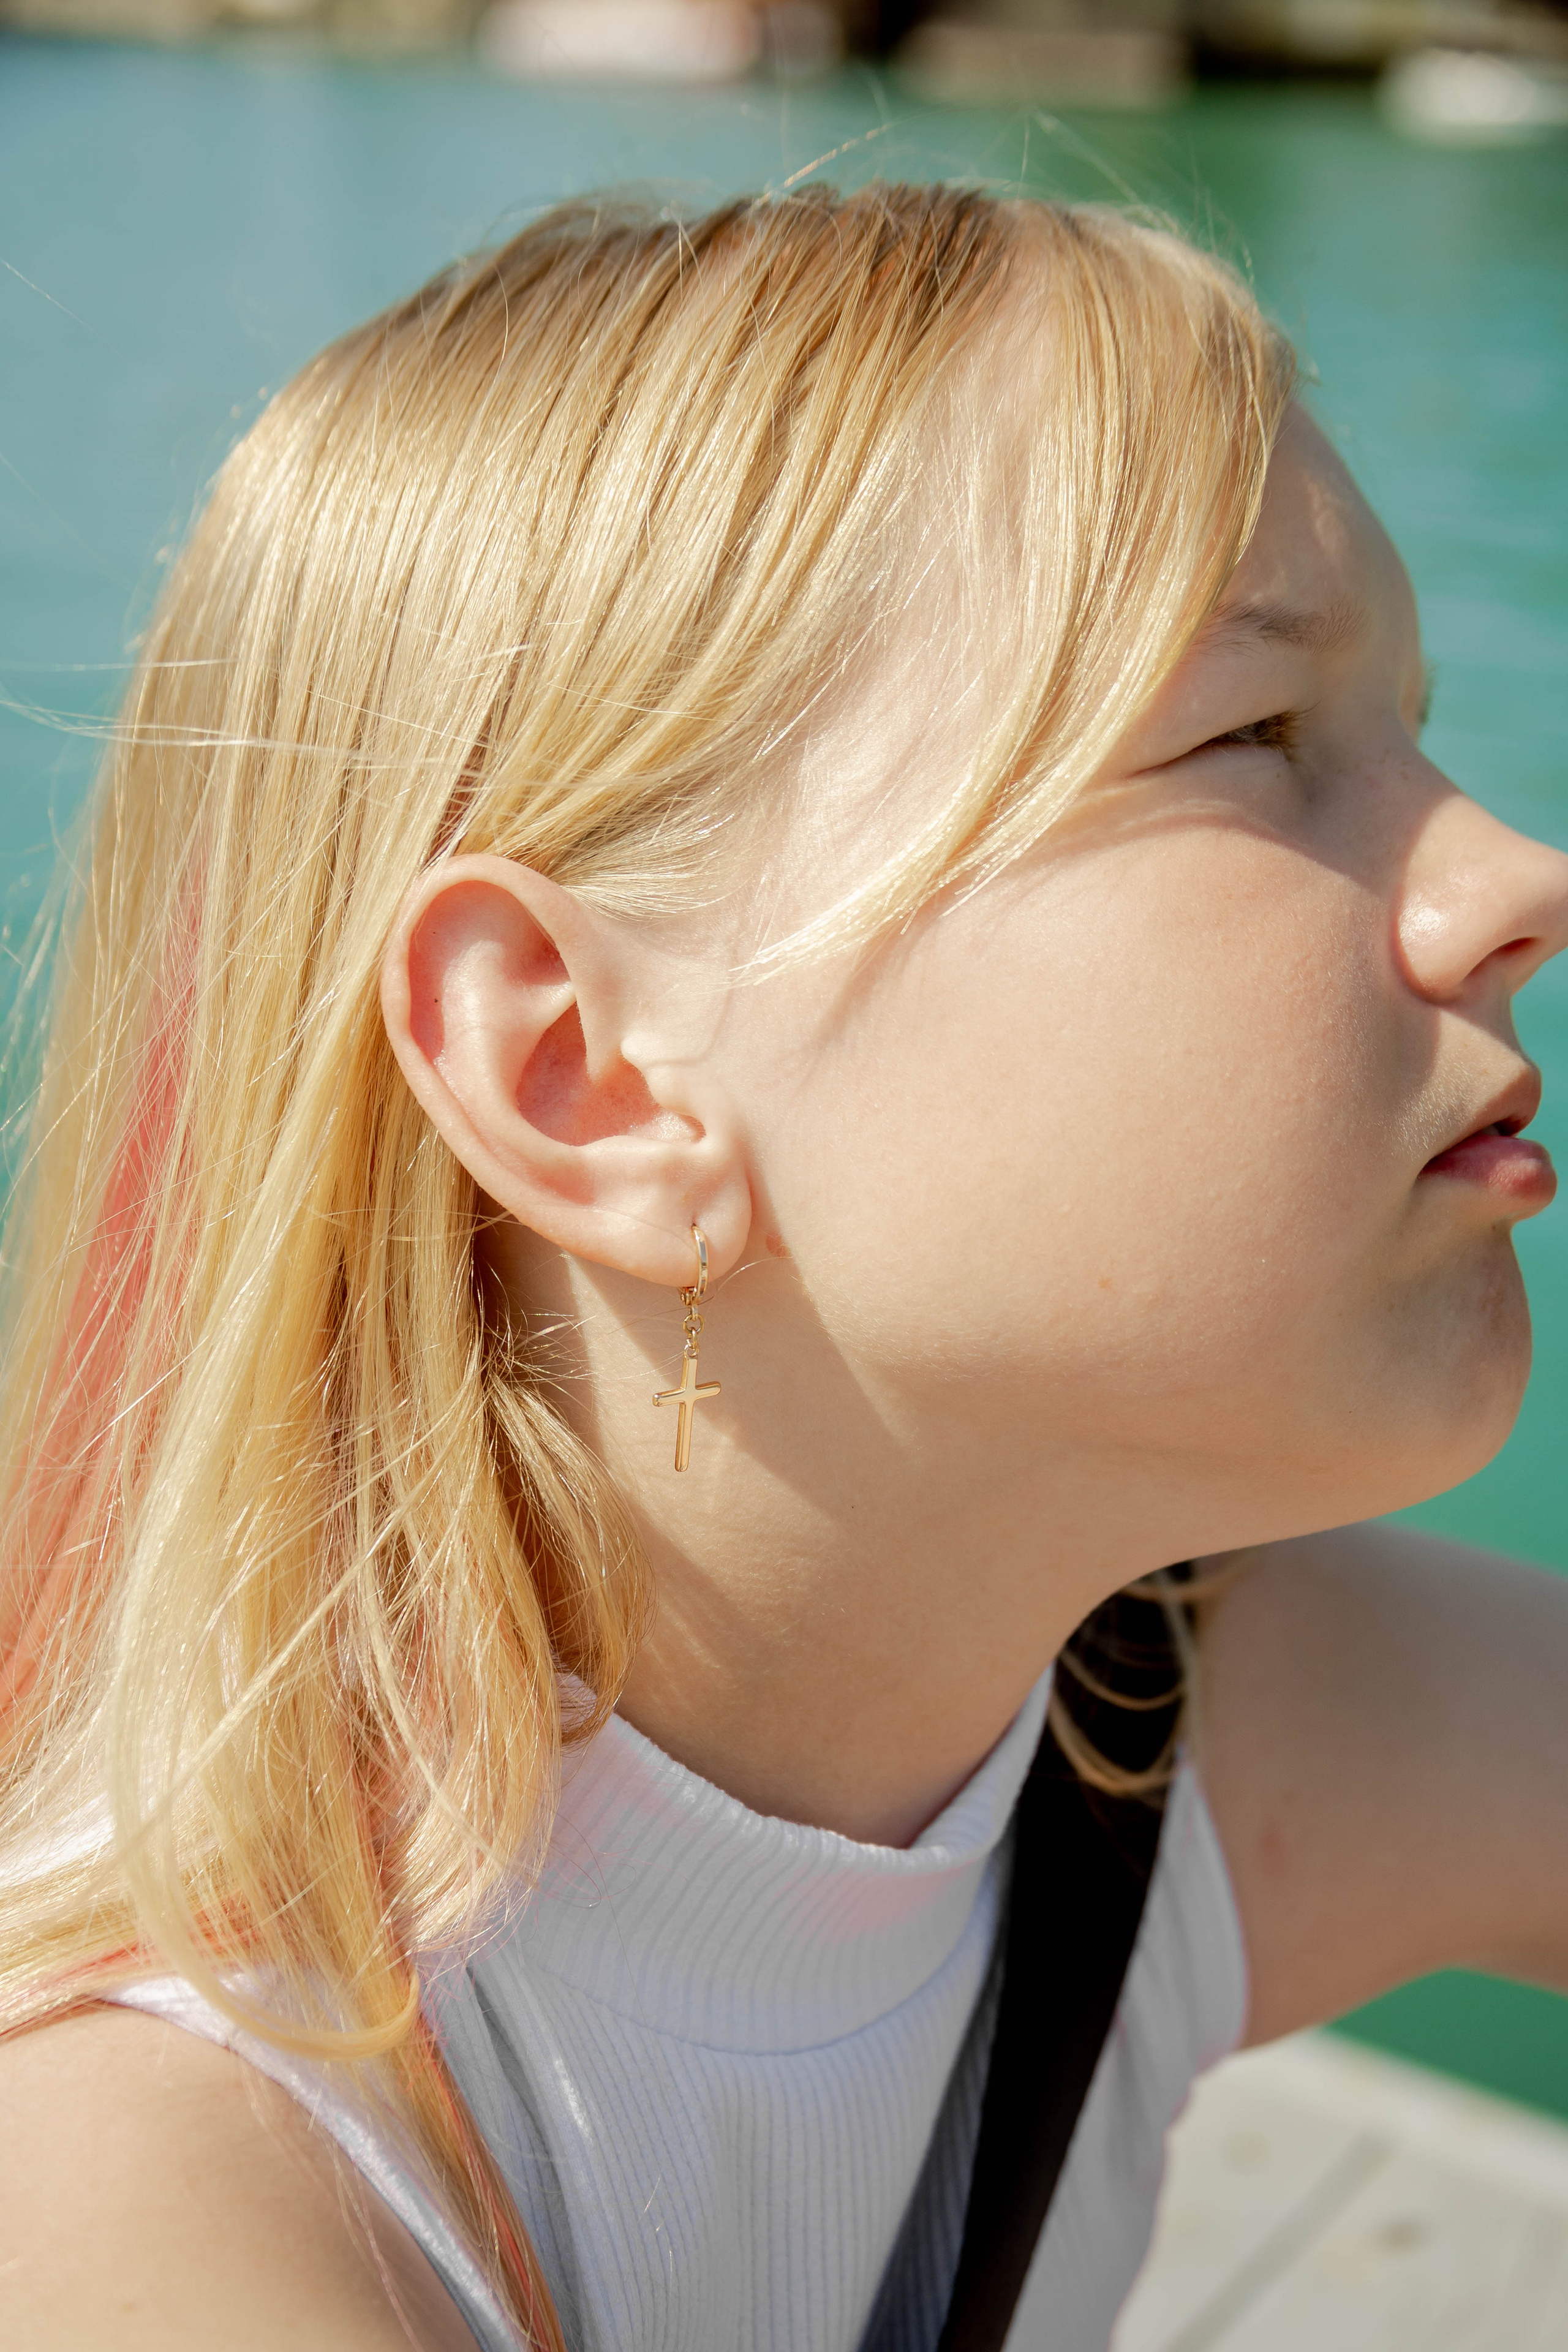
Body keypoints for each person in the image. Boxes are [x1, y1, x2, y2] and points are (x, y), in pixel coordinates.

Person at [2, 182, 1568, 2352]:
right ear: (583, 1073)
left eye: (1410, 727)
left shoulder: (1160, 1737)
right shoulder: (144, 2187)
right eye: (1253, 744)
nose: (1514, 874)